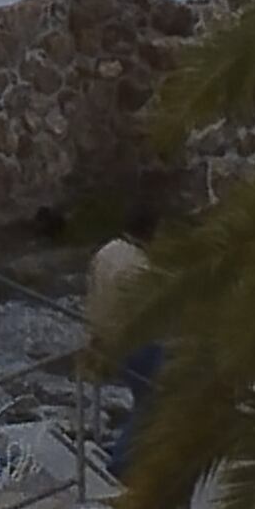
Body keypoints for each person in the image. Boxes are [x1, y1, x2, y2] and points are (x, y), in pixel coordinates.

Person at [89, 199, 165, 474]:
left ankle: (127, 443)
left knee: (142, 395)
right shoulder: (139, 267)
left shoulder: (106, 252)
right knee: (154, 397)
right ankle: (122, 457)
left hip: (105, 339)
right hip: (134, 343)